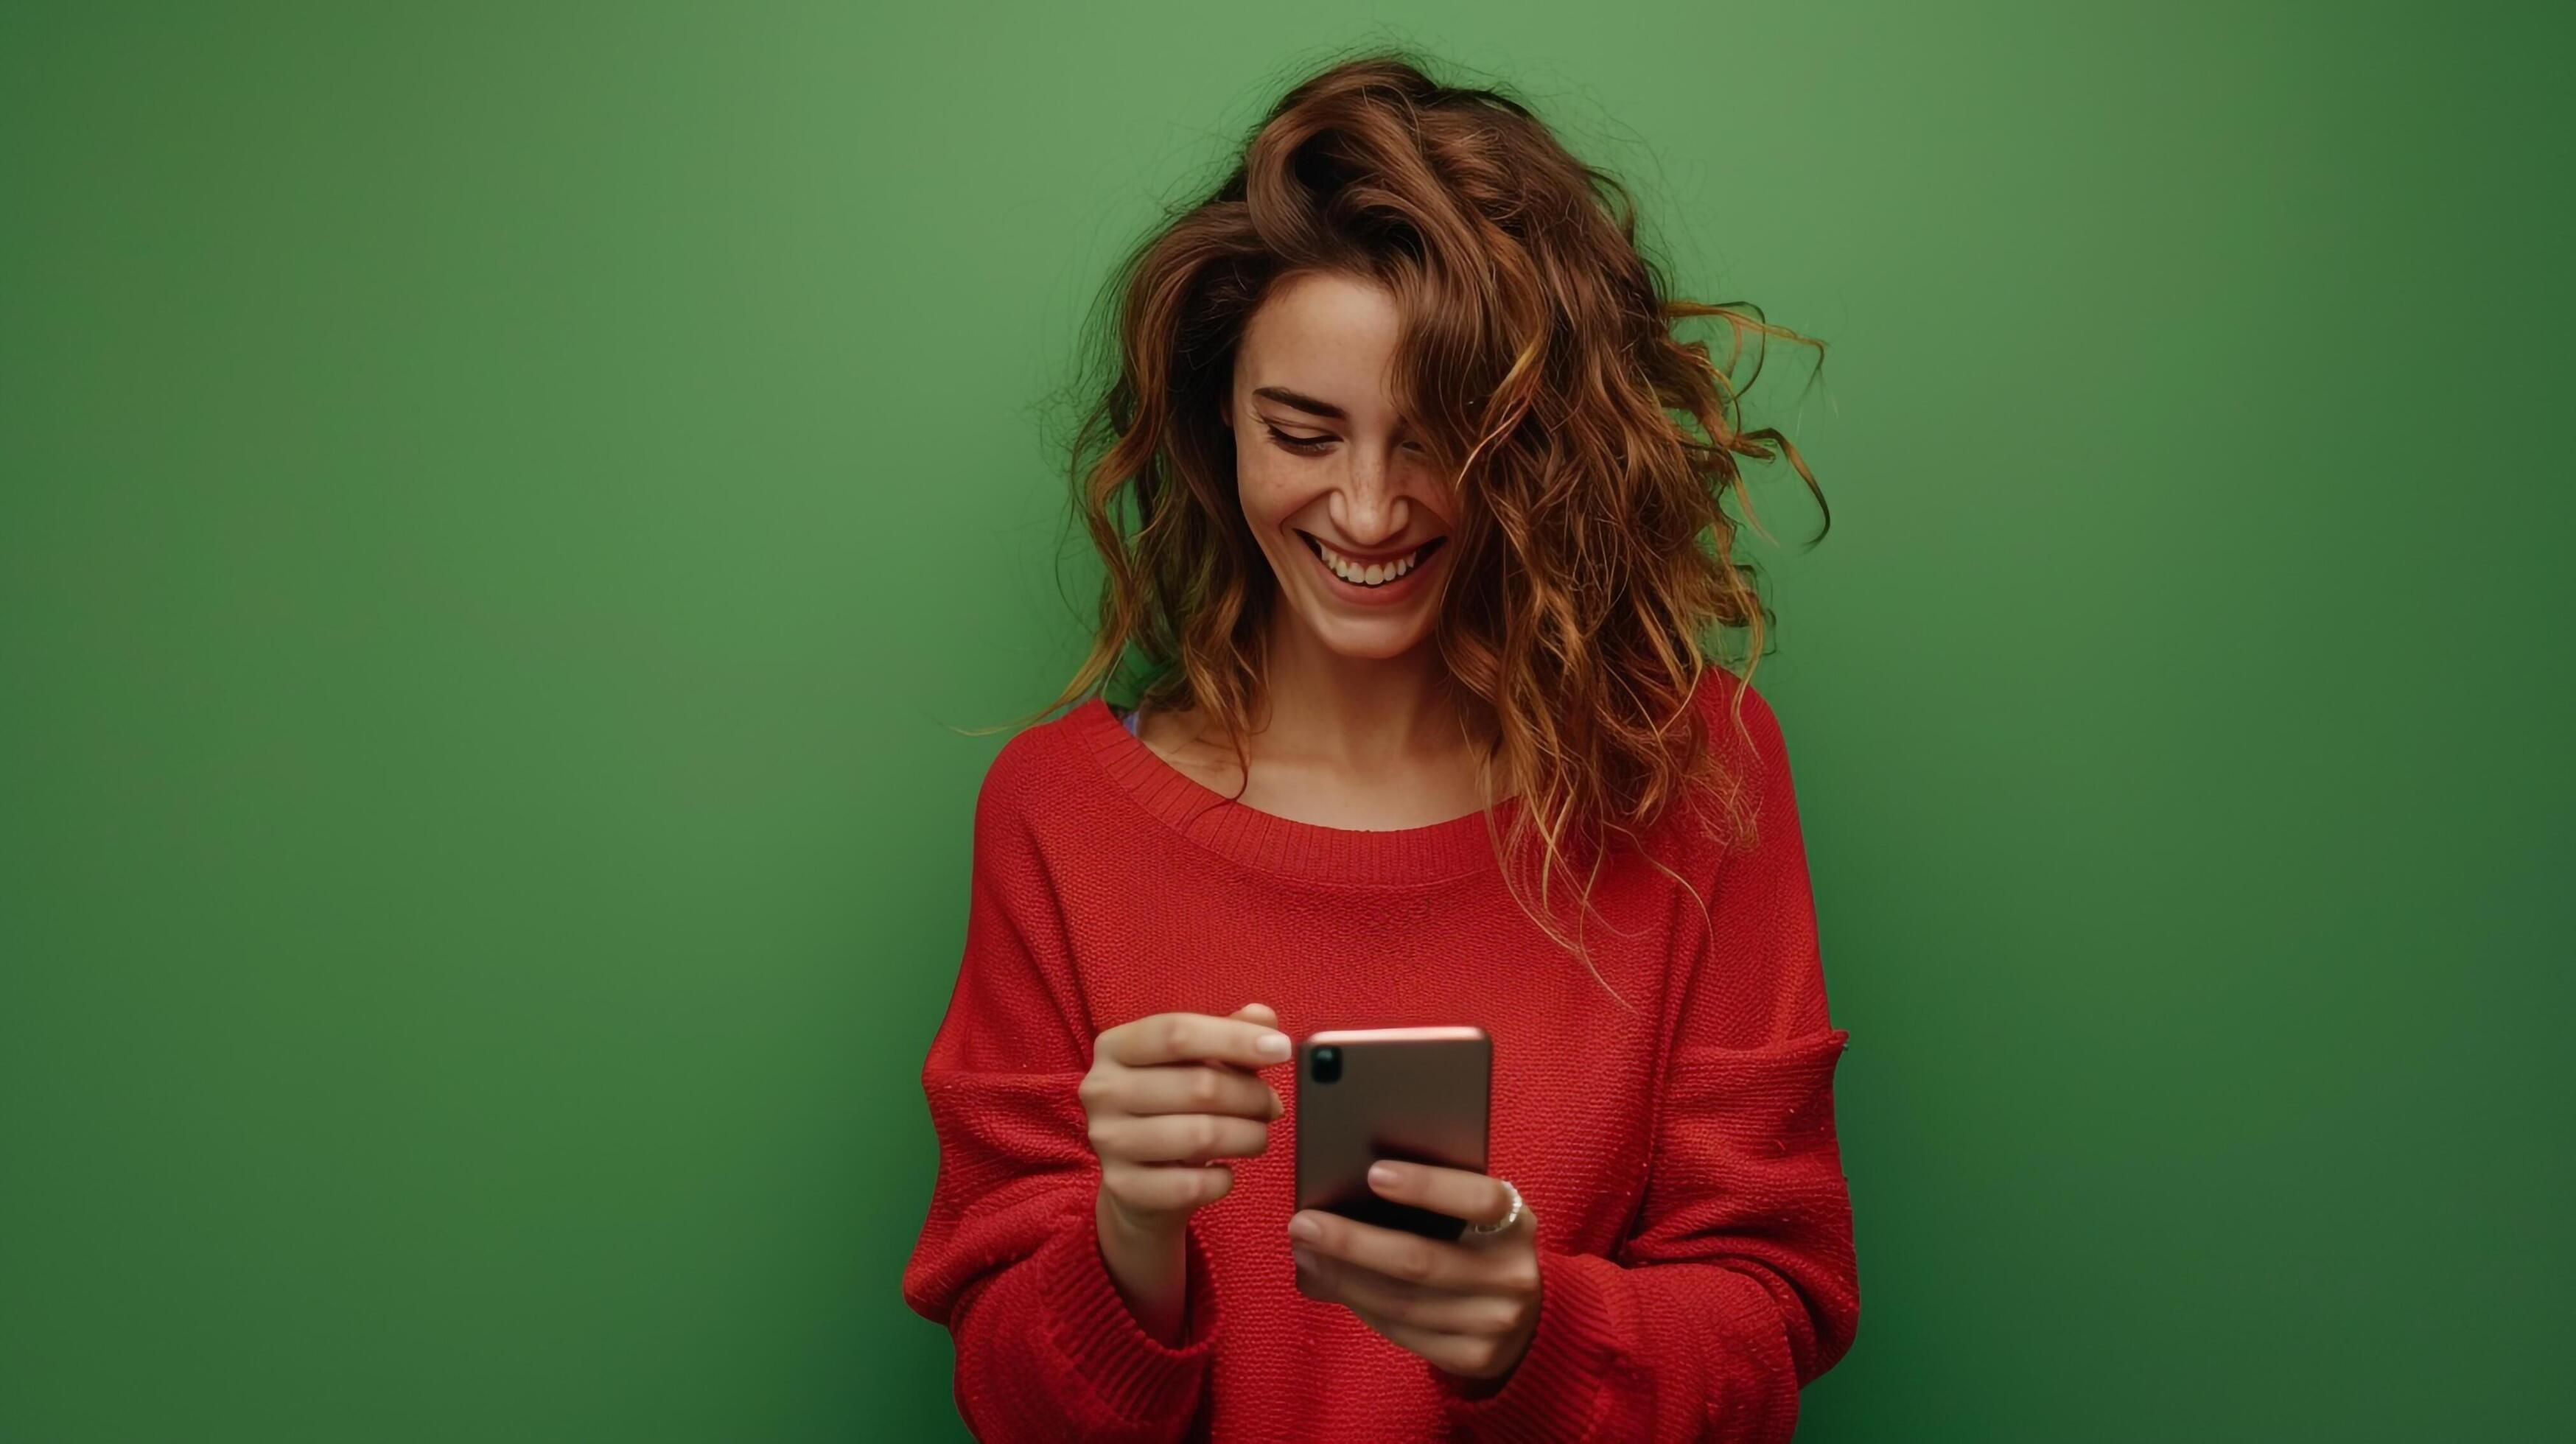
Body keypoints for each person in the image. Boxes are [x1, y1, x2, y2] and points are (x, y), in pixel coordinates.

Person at [902, 51, 1858, 1442]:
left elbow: (1772, 1320)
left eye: (1437, 442)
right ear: (1218, 416)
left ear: (1532, 446)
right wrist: (1131, 1239)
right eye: (1304, 431)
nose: (1365, 510)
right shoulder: (1057, 813)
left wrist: (1540, 1333)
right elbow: (1012, 1404)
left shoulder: (1698, 771)